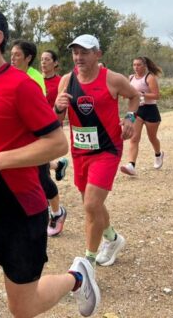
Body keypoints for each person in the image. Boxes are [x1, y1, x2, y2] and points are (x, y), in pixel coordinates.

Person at [0, 7, 100, 318]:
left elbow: (57, 143)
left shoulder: (21, 85)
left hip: (21, 214)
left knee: (24, 308)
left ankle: (77, 277)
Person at [54, 34, 139, 267]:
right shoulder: (66, 81)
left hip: (107, 150)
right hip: (80, 152)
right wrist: (57, 107)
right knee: (92, 204)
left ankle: (87, 263)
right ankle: (112, 238)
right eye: (75, 52)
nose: (78, 57)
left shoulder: (113, 79)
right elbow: (56, 120)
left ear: (97, 54)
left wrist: (130, 117)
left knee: (91, 204)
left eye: (84, 52)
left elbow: (134, 96)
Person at [10, 41, 67, 237]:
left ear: (28, 58)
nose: (12, 58)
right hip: (17, 135)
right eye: (11, 54)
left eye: (17, 55)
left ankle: (57, 213)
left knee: (42, 178)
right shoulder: (7, 74)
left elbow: (36, 110)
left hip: (37, 135)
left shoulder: (34, 79)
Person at [120, 56, 165, 176]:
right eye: (134, 65)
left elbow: (156, 95)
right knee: (134, 138)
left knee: (152, 138)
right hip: (137, 110)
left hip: (150, 110)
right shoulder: (130, 78)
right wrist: (125, 94)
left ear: (144, 66)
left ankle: (158, 154)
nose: (136, 67)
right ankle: (131, 165)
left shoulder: (149, 77)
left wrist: (142, 94)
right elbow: (127, 93)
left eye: (139, 65)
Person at [41, 50, 70, 182]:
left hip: (53, 124)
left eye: (47, 59)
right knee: (38, 160)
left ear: (55, 63)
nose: (43, 62)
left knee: (40, 159)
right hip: (35, 124)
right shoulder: (35, 79)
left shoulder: (61, 81)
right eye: (42, 59)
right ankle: (58, 165)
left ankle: (47, 191)